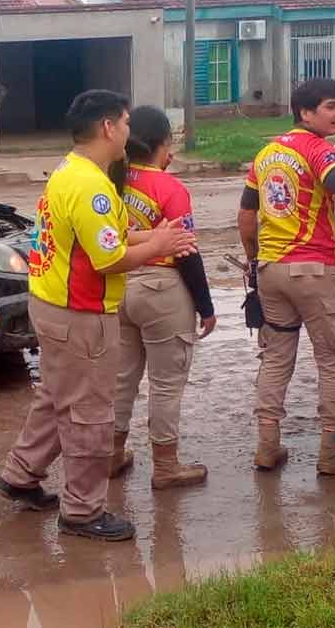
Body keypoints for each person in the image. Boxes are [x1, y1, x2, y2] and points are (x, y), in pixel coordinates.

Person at [0, 90, 195, 543]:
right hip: (79, 312)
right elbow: (109, 258)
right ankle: (82, 511)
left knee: (56, 397)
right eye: (124, 122)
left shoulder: (74, 172)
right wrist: (160, 248)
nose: (129, 131)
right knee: (88, 413)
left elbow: (112, 234)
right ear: (108, 127)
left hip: (54, 305)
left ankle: (21, 474)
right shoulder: (90, 185)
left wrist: (153, 236)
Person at [237, 78, 335, 476]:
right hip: (315, 273)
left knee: (275, 360)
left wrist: (254, 262)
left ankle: (267, 448)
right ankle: (332, 453)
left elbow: (246, 217)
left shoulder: (266, 153)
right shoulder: (318, 150)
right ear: (305, 113)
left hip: (272, 273)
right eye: (331, 107)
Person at [111, 105, 216, 490]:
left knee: (122, 379)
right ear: (163, 144)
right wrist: (205, 307)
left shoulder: (112, 180)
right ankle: (166, 466)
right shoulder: (170, 188)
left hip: (120, 284)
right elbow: (186, 250)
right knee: (166, 383)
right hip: (161, 288)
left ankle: (112, 454)